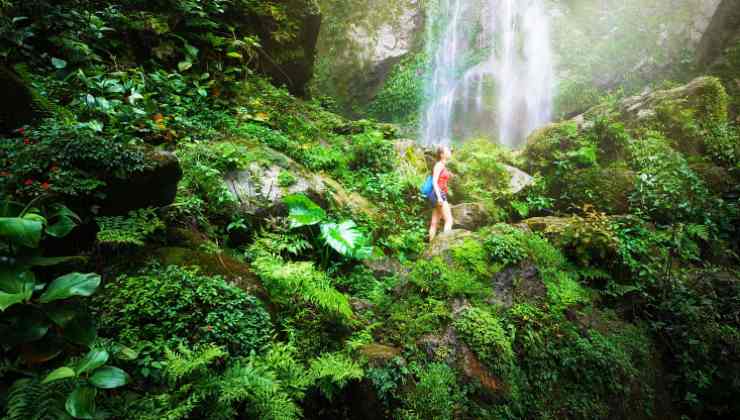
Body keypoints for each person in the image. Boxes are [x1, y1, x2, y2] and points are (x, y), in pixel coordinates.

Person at [428, 145, 453, 242]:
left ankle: (430, 247)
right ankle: (445, 245)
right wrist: (439, 197)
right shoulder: (439, 165)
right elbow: (434, 181)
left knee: (434, 223)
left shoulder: (442, 165)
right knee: (449, 220)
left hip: (437, 194)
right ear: (442, 154)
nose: (450, 151)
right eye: (447, 150)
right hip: (438, 194)